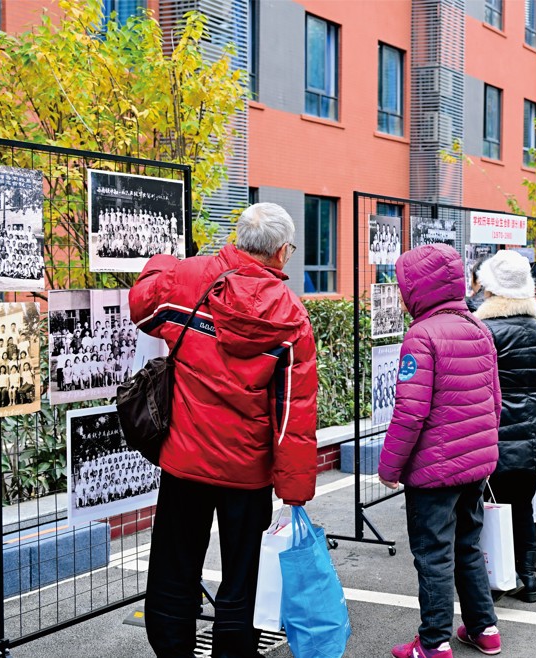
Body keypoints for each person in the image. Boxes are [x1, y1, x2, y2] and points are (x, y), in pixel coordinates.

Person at [129, 202, 319, 658]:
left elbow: (141, 306)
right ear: (281, 252)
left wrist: (163, 261)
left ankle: (172, 648)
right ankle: (234, 650)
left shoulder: (189, 278)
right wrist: (294, 490)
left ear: (237, 239)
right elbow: (293, 412)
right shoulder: (291, 315)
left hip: (185, 458)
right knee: (243, 571)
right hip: (248, 472)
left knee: (175, 565)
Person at [378, 244, 503, 658]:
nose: (400, 296)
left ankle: (433, 642)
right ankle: (484, 628)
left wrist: (389, 467)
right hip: (475, 463)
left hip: (433, 469)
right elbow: (495, 400)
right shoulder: (477, 327)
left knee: (433, 555)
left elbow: (410, 412)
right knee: (468, 544)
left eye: (403, 287)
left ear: (420, 289)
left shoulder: (422, 336)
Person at [474, 250, 536, 603]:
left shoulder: (483, 330)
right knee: (523, 506)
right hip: (534, 431)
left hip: (493, 432)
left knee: (490, 505)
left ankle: (497, 576)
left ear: (490, 288)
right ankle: (528, 577)